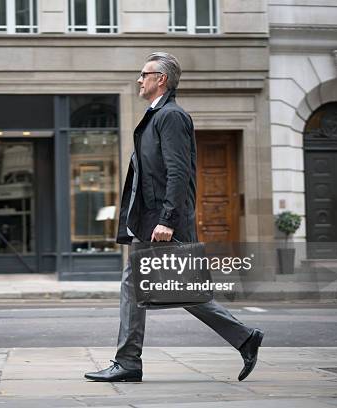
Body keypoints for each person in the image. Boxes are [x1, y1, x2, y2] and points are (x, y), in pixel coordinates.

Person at [84, 52, 264, 383]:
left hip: (162, 222)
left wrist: (166, 219)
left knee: (157, 286)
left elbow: (179, 172)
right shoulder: (157, 116)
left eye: (144, 74)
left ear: (161, 79)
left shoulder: (171, 117)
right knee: (174, 288)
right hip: (151, 219)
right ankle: (244, 338)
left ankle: (128, 362)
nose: (139, 79)